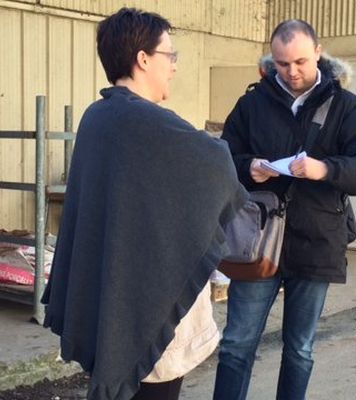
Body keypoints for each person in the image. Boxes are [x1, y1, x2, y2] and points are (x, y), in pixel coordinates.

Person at [41, 8, 247, 400]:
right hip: (147, 303)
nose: (173, 66)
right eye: (170, 55)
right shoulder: (151, 125)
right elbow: (219, 167)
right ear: (143, 58)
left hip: (114, 293)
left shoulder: (97, 117)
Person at [213, 19, 356, 400]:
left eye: (300, 62)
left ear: (319, 53)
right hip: (255, 242)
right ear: (271, 60)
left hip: (317, 242)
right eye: (281, 63)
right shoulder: (252, 104)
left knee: (300, 349)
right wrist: (249, 168)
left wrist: (325, 169)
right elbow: (224, 157)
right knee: (237, 344)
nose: (292, 72)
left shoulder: (346, 106)